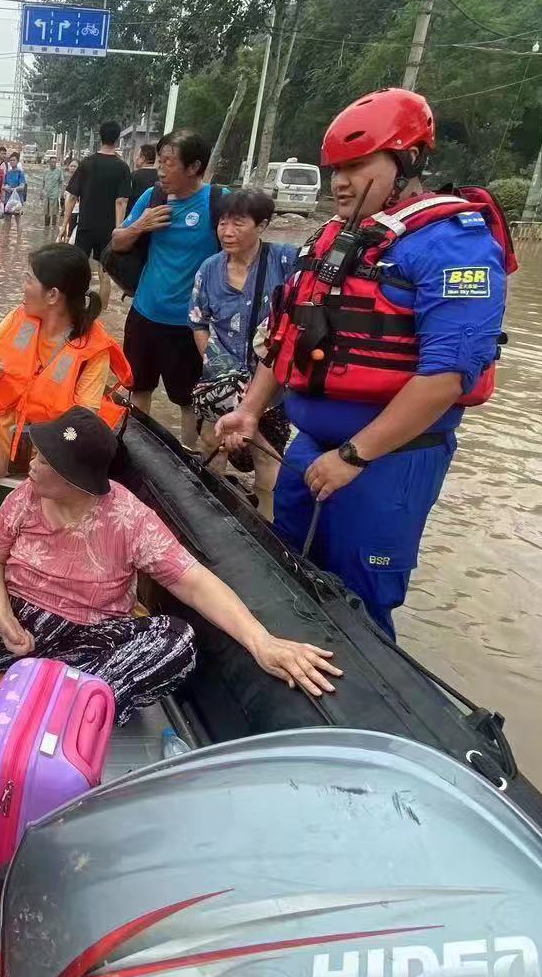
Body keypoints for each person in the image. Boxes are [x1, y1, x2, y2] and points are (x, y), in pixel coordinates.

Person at [0, 405, 340, 852]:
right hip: (21, 624)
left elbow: (194, 581)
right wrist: (4, 618)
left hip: (88, 643)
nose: (31, 461)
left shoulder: (129, 519)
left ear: (76, 478)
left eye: (45, 457)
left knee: (175, 641)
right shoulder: (24, 498)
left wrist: (262, 640)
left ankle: (47, 742)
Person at [218, 88, 513, 640]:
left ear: (408, 162)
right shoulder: (335, 239)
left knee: (361, 603)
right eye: (336, 169)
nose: (341, 182)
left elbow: (447, 377)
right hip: (311, 447)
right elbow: (288, 338)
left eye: (358, 166)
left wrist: (355, 456)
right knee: (293, 581)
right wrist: (251, 411)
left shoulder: (456, 249)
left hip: (389, 461)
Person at [0, 243, 130, 527]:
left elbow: (85, 422)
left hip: (54, 454)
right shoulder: (19, 317)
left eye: (29, 279)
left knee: (51, 499)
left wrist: (45, 461)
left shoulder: (94, 350)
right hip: (2, 437)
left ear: (53, 296)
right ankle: (2, 534)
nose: (23, 286)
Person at [111, 129, 221, 447]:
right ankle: (135, 452)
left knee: (189, 401)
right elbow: (117, 242)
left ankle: (188, 461)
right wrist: (139, 225)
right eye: (160, 161)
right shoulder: (152, 198)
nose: (160, 170)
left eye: (169, 163)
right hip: (145, 314)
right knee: (138, 389)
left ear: (193, 167)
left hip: (190, 326)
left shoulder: (217, 203)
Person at [188, 188, 297, 498]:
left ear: (261, 226)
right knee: (212, 442)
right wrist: (222, 376)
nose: (227, 232)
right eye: (223, 223)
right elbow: (198, 322)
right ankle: (210, 503)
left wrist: (255, 388)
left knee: (266, 455)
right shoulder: (209, 269)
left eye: (238, 223)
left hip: (270, 388)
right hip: (220, 385)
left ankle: (267, 521)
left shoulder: (286, 261)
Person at [62, 121, 134, 310]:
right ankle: (99, 317)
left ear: (100, 136)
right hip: (108, 230)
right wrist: (118, 230)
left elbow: (71, 197)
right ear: (117, 139)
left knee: (78, 269)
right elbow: (121, 202)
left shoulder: (86, 163)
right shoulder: (122, 168)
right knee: (105, 274)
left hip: (85, 226)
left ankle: (75, 310)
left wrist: (64, 225)